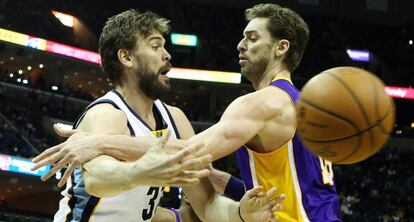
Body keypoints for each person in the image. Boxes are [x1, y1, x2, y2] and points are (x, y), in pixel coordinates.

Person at [33, 3, 341, 221]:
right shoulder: (108, 113)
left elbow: (199, 184)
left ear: (281, 48)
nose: (167, 54)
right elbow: (98, 179)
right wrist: (141, 171)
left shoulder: (187, 118)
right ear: (125, 57)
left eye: (252, 37)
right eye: (156, 46)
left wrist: (239, 215)